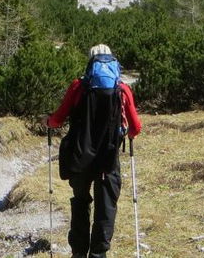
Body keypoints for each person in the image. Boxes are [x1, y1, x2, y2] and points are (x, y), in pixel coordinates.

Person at [47, 44, 142, 258]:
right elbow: (136, 127)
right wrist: (127, 133)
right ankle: (98, 254)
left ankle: (79, 253)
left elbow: (57, 119)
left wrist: (48, 121)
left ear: (90, 61)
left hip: (80, 157)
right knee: (106, 207)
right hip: (108, 159)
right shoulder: (122, 89)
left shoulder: (78, 86)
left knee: (80, 202)